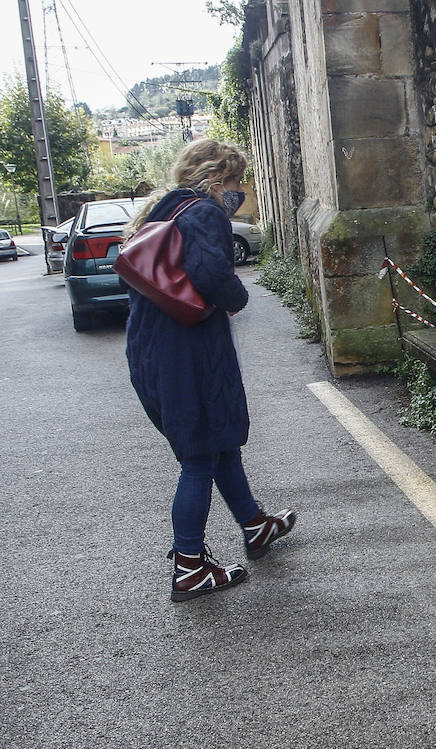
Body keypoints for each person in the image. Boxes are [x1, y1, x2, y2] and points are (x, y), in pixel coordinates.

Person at [124, 138, 295, 602]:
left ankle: (255, 525)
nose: (238, 191)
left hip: (157, 350)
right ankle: (190, 566)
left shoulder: (164, 210)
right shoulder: (203, 212)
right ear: (217, 178)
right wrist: (238, 299)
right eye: (236, 181)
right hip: (188, 353)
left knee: (218, 445)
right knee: (200, 457)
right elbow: (212, 275)